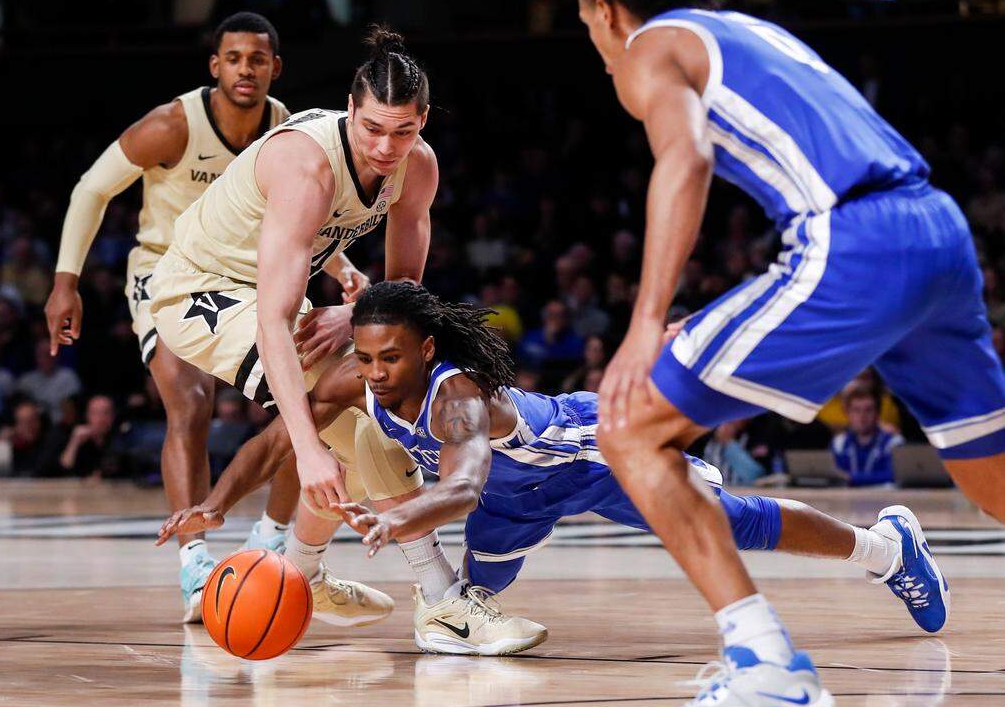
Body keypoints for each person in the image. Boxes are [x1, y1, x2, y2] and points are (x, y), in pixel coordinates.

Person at [577, 0, 1004, 707]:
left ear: (604, 10)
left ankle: (766, 669)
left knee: (627, 427)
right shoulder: (745, 29)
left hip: (852, 246)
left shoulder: (647, 47)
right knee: (993, 478)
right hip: (934, 228)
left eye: (584, 25)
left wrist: (646, 322)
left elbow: (686, 159)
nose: (595, 42)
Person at [158, 282, 949, 659]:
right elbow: (276, 440)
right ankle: (428, 596)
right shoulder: (360, 378)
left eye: (390, 356)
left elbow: (463, 483)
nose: (376, 371)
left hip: (593, 456)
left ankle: (886, 548)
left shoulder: (454, 394)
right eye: (366, 358)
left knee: (732, 527)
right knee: (470, 612)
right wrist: (215, 503)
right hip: (513, 503)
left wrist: (403, 515)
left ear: (427, 349)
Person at [148, 27, 438, 626]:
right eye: (373, 129)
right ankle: (440, 598)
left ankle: (302, 571)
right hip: (200, 288)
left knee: (371, 412)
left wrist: (357, 311)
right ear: (350, 109)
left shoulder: (418, 169)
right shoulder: (305, 162)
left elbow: (403, 293)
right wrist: (304, 450)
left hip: (270, 294)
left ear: (424, 120)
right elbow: (275, 319)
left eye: (403, 131)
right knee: (354, 403)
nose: (387, 147)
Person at [44, 13, 308, 622]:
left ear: (275, 67)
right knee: (189, 403)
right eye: (234, 57)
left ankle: (270, 547)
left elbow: (302, 205)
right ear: (215, 65)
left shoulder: (284, 126)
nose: (246, 68)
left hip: (243, 272)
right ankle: (194, 566)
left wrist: (343, 267)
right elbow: (91, 189)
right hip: (167, 271)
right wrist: (66, 282)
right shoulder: (172, 125)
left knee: (312, 397)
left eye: (258, 59)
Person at [831, 384, 903, 487]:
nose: (862, 416)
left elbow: (896, 475)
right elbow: (834, 475)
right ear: (847, 413)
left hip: (884, 500)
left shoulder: (893, 441)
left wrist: (852, 478)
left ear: (878, 413)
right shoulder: (839, 442)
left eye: (868, 410)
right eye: (856, 410)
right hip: (846, 499)